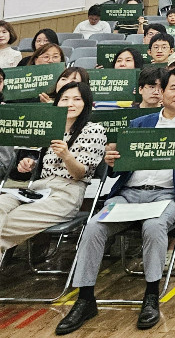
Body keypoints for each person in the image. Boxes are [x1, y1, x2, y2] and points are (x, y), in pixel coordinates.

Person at [57, 65, 175, 335]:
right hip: (128, 195)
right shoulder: (139, 123)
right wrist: (111, 162)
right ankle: (85, 298)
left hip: (167, 195)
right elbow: (120, 167)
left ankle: (151, 295)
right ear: (162, 91)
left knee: (154, 227)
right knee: (95, 226)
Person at [0, 82, 106, 260]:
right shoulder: (51, 128)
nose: (70, 103)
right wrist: (28, 164)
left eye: (76, 99)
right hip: (36, 189)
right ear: (56, 103)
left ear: (86, 103)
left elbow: (79, 174)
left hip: (66, 192)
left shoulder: (94, 130)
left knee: (12, 221)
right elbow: (37, 163)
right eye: (64, 99)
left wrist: (66, 155)